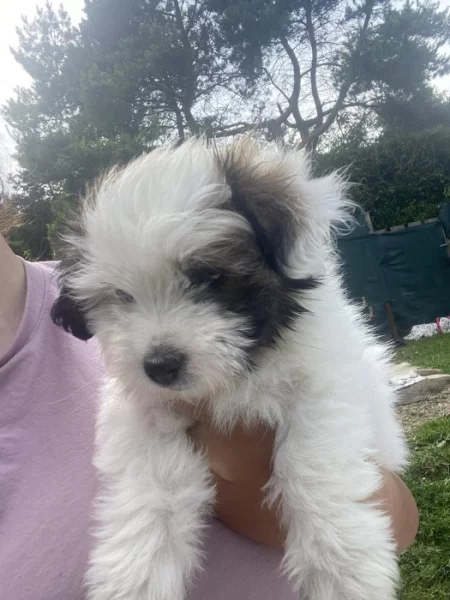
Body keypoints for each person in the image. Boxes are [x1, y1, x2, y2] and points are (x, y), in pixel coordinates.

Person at [0, 229, 419, 600]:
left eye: (206, 280)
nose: (159, 339)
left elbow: (397, 521)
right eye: (125, 300)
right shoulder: (96, 292)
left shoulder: (312, 331)